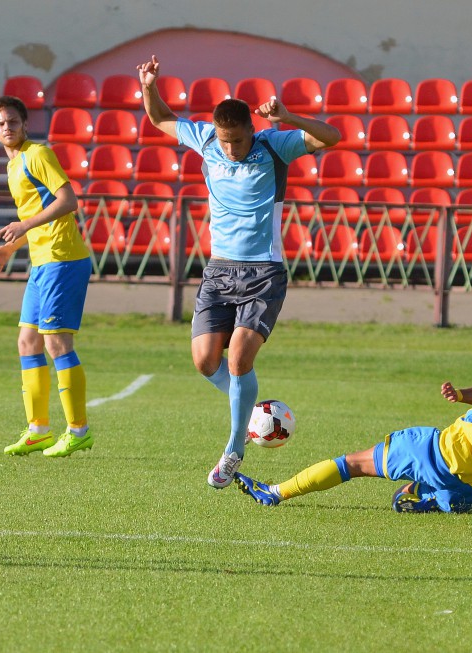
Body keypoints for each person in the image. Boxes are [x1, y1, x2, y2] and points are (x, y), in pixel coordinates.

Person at [136, 55, 340, 489]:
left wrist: (287, 117)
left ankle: (234, 447)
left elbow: (331, 137)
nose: (230, 148)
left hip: (264, 272)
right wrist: (149, 85)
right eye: (224, 141)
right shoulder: (206, 138)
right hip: (218, 272)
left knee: (238, 358)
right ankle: (252, 410)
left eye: (237, 139)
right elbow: (160, 119)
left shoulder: (273, 144)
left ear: (251, 129)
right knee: (204, 361)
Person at [233, 302, 472, 514]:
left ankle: (275, 493)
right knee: (411, 494)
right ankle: (428, 497)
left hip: (438, 455)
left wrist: (460, 393)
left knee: (352, 463)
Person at [0, 95, 94, 458]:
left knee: (56, 343)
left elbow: (68, 200)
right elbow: (35, 217)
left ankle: (79, 430)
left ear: (25, 124)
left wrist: (23, 224)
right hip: (41, 261)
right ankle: (39, 430)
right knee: (27, 342)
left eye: (13, 121)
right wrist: (9, 249)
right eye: (0, 123)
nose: (7, 128)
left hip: (63, 259)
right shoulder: (13, 167)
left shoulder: (38, 154)